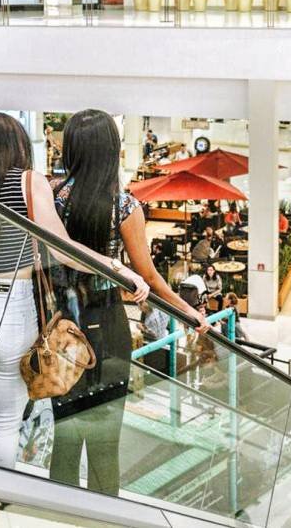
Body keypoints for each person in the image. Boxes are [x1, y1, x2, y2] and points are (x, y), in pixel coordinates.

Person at [0, 112, 151, 471]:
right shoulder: (29, 182)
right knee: (1, 423)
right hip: (5, 309)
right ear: (16, 146)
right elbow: (62, 248)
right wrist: (115, 267)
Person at [47, 109, 208, 495]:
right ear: (112, 152)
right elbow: (149, 277)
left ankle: (55, 516)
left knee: (65, 438)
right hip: (107, 326)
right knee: (105, 443)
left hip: (62, 324)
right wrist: (188, 311)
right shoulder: (123, 206)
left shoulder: (53, 198)